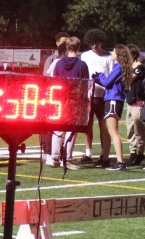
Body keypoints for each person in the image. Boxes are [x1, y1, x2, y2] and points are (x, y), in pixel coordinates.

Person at [45, 36, 88, 168]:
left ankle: (54, 157)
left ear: (67, 48)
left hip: (60, 99)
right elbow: (86, 85)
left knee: (58, 129)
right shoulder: (82, 65)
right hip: (75, 100)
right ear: (78, 48)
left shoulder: (58, 63)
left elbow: (54, 81)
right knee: (71, 130)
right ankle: (67, 158)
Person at [93, 44, 134, 171]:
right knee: (108, 131)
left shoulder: (118, 67)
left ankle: (120, 162)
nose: (112, 53)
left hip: (113, 100)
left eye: (114, 51)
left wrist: (98, 76)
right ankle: (106, 158)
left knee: (113, 132)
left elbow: (106, 82)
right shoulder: (121, 67)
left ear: (119, 54)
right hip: (114, 99)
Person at [80, 28, 112, 165]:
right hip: (88, 95)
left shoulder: (108, 57)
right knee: (88, 124)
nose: (95, 45)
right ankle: (88, 153)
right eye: (92, 43)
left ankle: (104, 153)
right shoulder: (85, 56)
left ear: (101, 42)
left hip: (103, 96)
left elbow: (111, 75)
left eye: (97, 43)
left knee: (103, 126)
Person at [124, 45, 145, 166]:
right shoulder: (130, 66)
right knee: (130, 129)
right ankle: (132, 152)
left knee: (139, 129)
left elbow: (129, 79)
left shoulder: (139, 67)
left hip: (138, 101)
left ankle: (140, 152)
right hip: (130, 101)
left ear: (133, 55)